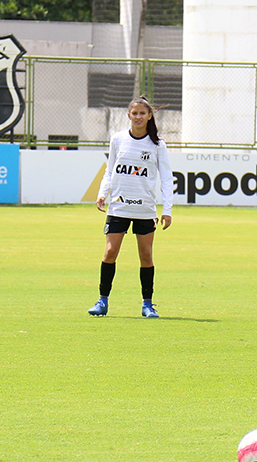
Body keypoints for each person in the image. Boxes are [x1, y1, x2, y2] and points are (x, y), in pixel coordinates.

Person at [88, 96, 173, 318]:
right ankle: (102, 300)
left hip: (144, 209)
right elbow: (110, 170)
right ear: (129, 115)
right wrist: (102, 193)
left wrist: (167, 210)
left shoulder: (157, 145)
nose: (138, 117)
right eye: (134, 113)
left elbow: (166, 178)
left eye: (142, 113)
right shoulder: (117, 139)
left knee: (146, 255)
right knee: (109, 252)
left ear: (149, 116)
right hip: (118, 207)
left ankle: (147, 304)